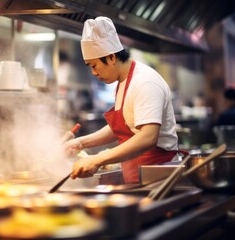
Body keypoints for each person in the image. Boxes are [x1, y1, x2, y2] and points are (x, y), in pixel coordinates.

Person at [64, 16, 181, 184]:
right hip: (137, 177)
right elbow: (125, 125)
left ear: (111, 57)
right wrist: (80, 143)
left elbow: (148, 137)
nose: (93, 73)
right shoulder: (123, 81)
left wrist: (98, 159)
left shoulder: (144, 82)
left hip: (159, 178)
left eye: (94, 65)